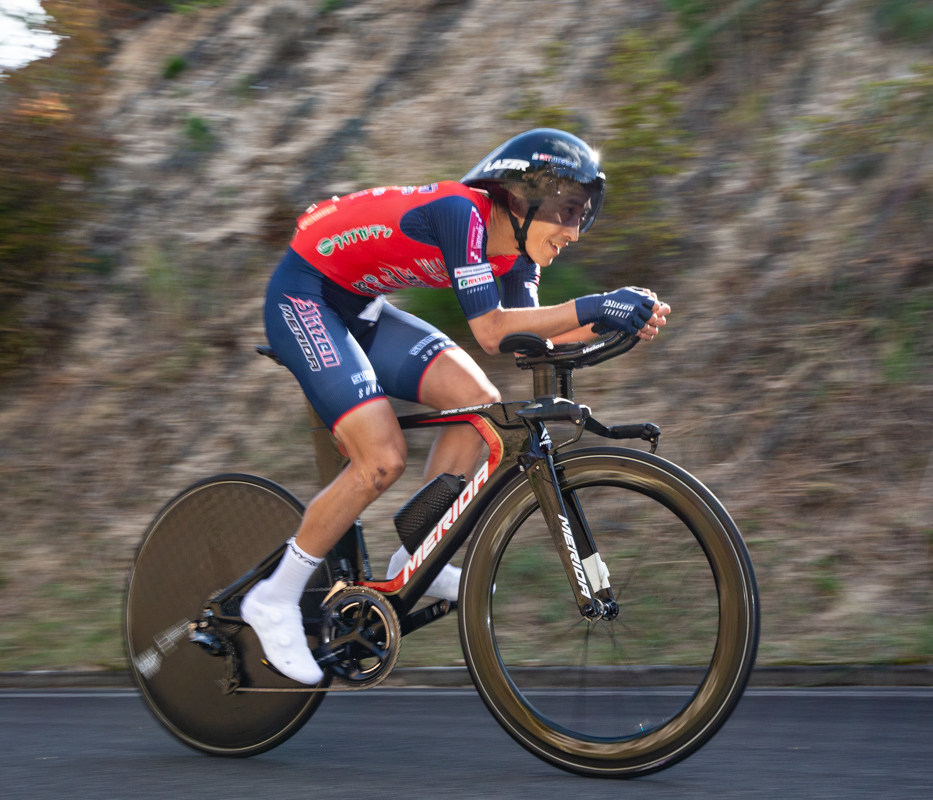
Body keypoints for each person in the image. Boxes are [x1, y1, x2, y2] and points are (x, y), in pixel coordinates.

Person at [243, 128, 671, 684]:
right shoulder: (460, 214)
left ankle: (413, 560)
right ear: (522, 197)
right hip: (305, 296)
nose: (573, 231)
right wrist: (594, 304)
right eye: (566, 211)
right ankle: (273, 599)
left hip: (359, 305)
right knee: (381, 460)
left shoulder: (515, 257)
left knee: (479, 408)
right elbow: (493, 332)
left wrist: (623, 317)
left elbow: (535, 335)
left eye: (582, 216)